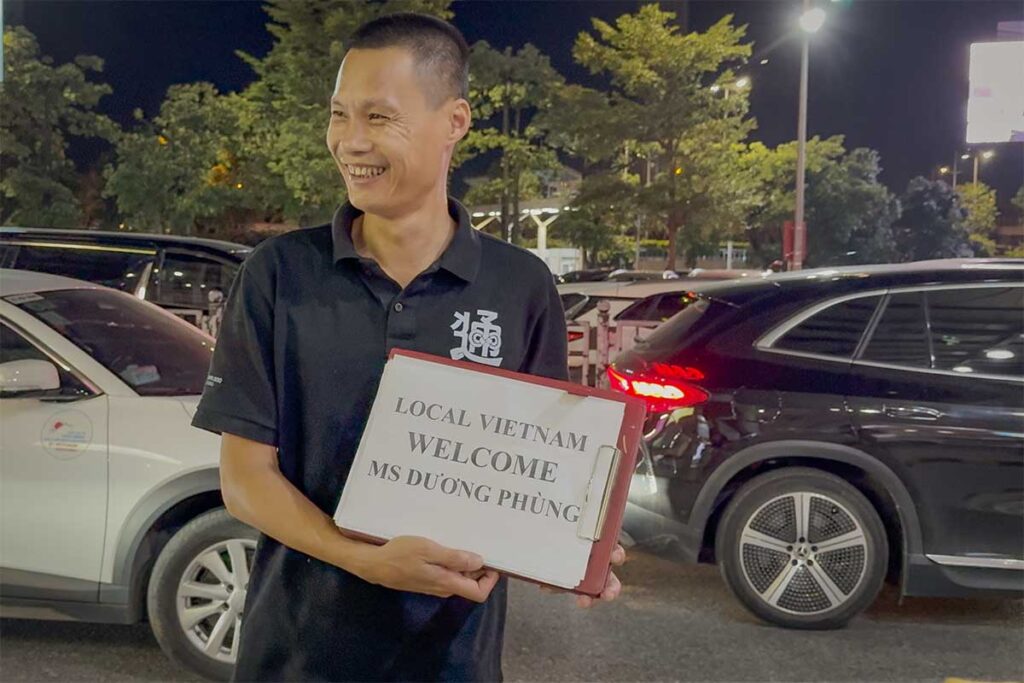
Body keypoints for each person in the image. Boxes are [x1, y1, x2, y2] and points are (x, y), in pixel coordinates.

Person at [191, 13, 624, 682]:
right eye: (339, 115)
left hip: (454, 662)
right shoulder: (279, 275)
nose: (349, 141)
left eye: (378, 117)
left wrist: (573, 549)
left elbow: (537, 474)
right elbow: (245, 479)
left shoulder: (520, 286)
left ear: (455, 121)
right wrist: (362, 557)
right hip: (297, 657)